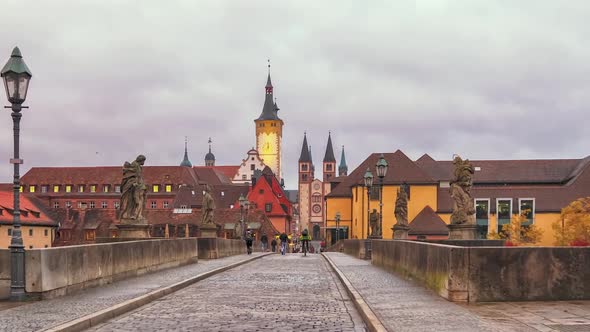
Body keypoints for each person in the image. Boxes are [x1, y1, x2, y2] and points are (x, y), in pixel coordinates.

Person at [120, 155, 147, 221]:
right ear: (141, 160)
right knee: (137, 200)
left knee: (140, 200)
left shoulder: (138, 166)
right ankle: (135, 214)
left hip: (140, 185)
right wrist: (134, 183)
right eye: (143, 161)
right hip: (137, 185)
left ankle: (137, 215)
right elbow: (129, 175)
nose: (144, 163)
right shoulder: (134, 165)